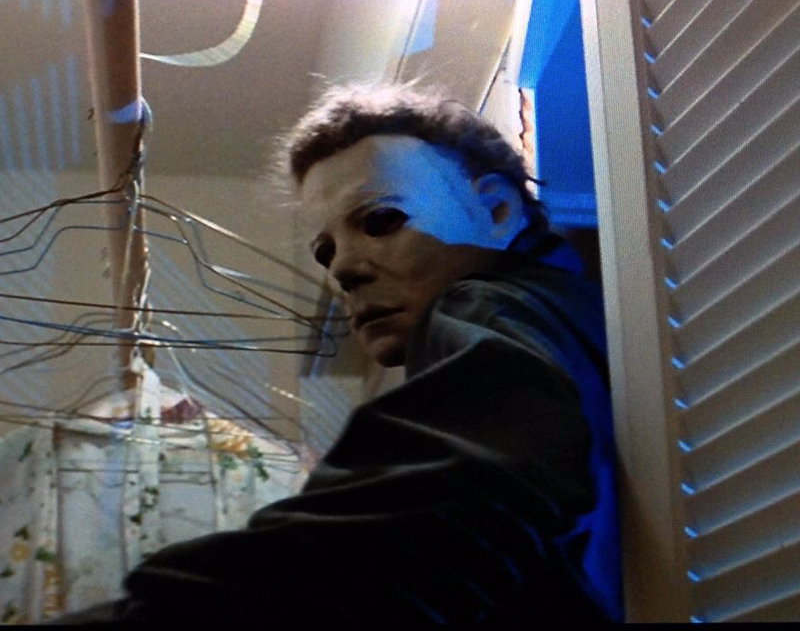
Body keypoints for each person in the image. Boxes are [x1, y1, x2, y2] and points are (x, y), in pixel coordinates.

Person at [60, 81, 622, 625]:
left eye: (382, 221)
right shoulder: (569, 319)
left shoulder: (487, 305)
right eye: (325, 252)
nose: (343, 271)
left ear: (497, 211)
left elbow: (451, 499)